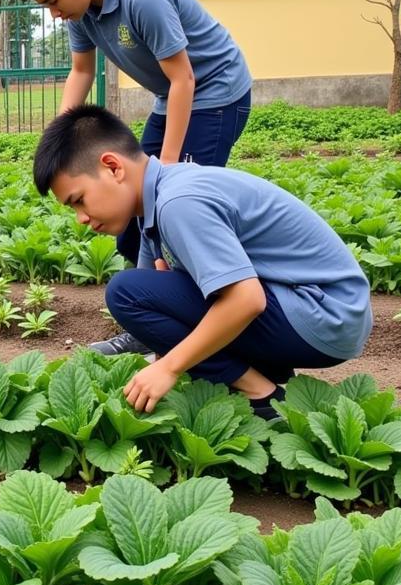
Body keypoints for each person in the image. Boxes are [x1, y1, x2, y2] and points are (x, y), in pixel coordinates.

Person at [32, 105, 372, 418]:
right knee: (147, 288)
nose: (80, 218)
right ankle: (258, 372)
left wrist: (169, 369)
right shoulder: (157, 196)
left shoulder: (179, 202)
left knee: (125, 292)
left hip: (325, 316)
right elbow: (164, 296)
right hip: (312, 311)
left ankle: (261, 394)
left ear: (112, 167)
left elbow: (246, 299)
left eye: (79, 200)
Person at [14, 0, 253, 355]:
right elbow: (81, 72)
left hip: (215, 92)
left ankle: (185, 327)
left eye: (52, 1)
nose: (53, 13)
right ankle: (148, 320)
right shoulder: (82, 11)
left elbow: (184, 78)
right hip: (171, 95)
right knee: (136, 206)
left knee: (168, 207)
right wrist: (61, 142)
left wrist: (169, 168)